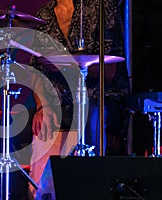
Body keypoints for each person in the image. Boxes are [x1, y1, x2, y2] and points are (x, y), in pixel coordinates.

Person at [29, 0, 130, 195]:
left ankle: (89, 185)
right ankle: (40, 191)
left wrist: (66, 63)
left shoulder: (101, 8)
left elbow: (109, 71)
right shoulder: (43, 16)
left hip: (101, 98)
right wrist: (42, 106)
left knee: (90, 110)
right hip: (58, 103)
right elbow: (36, 73)